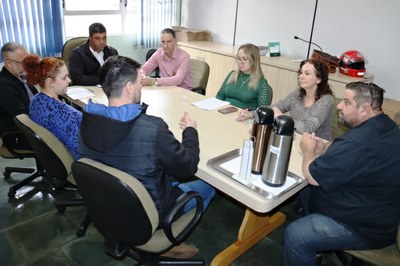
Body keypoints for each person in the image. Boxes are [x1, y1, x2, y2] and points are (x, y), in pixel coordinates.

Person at [79, 55, 215, 258]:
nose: (141, 88)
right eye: (140, 83)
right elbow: (188, 167)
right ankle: (167, 244)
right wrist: (190, 132)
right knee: (207, 186)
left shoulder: (87, 121)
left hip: (109, 207)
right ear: (129, 88)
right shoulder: (152, 128)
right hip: (149, 215)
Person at [282, 82, 400, 266]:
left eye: (346, 102)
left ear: (365, 109)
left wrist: (308, 152)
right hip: (374, 206)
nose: (339, 105)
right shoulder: (386, 125)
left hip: (365, 227)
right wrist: (325, 148)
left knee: (296, 236)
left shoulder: (359, 142)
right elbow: (351, 152)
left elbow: (313, 176)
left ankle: (307, 246)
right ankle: (315, 249)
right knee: (303, 191)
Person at [238, 59, 334, 140]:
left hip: (317, 145)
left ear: (319, 79)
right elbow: (276, 108)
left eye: (307, 74)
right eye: (301, 73)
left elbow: (308, 128)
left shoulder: (326, 100)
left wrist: (282, 117)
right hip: (295, 138)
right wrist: (251, 114)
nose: (301, 76)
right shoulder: (298, 93)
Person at [22, 55, 82, 160]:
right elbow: (81, 148)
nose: (69, 81)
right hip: (82, 160)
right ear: (51, 82)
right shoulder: (61, 113)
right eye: (64, 77)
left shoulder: (36, 100)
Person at [216, 43, 272, 112]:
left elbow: (263, 111)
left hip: (243, 118)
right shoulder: (232, 74)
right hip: (223, 112)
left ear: (253, 61)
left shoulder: (262, 83)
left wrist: (250, 115)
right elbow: (219, 97)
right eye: (239, 58)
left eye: (244, 59)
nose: (240, 62)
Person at [0, 42, 38, 136]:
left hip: (33, 123)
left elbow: (37, 98)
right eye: (24, 62)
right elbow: (22, 118)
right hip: (20, 133)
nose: (27, 65)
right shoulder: (3, 85)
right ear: (8, 63)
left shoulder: (22, 76)